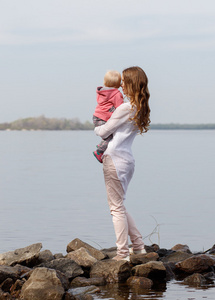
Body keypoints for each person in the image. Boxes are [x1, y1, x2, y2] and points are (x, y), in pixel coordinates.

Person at [94, 66, 151, 261]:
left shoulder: (125, 107)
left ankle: (122, 253)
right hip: (128, 161)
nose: (121, 85)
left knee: (116, 208)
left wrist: (97, 126)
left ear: (131, 84)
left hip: (114, 159)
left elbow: (103, 132)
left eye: (124, 82)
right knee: (120, 205)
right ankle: (139, 246)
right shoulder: (138, 108)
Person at [92, 70, 124, 163]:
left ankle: (102, 144)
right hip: (103, 118)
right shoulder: (116, 94)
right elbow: (120, 108)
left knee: (107, 134)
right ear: (118, 83)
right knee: (111, 135)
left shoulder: (102, 92)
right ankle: (99, 151)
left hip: (96, 117)